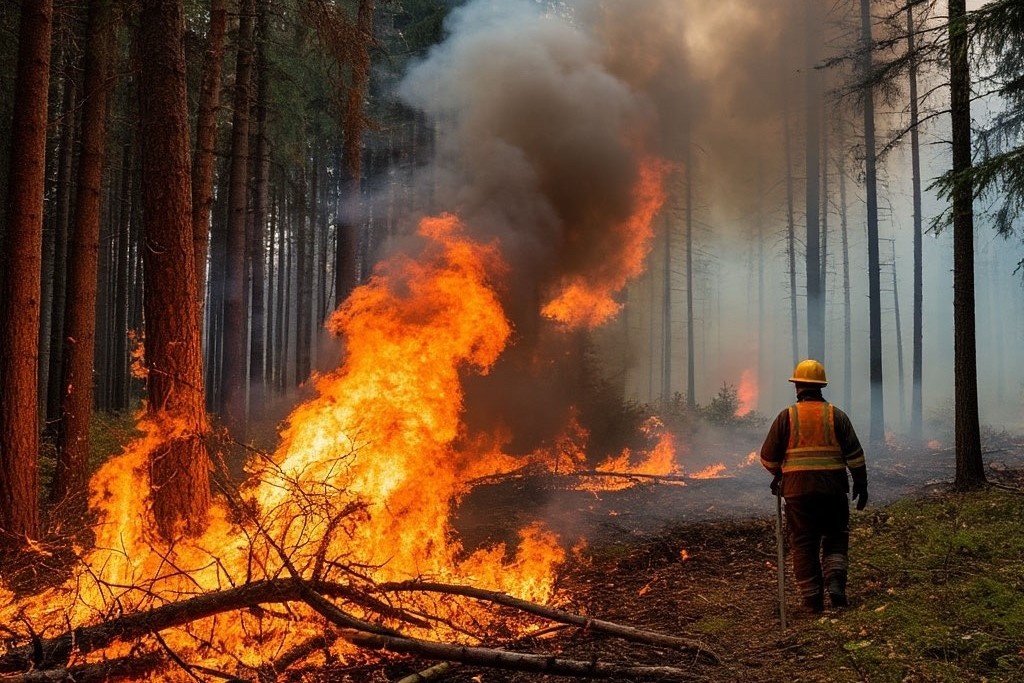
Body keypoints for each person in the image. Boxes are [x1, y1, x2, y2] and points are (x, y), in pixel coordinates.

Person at [760, 359, 868, 614]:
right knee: (835, 537)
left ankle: (812, 600)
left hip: (798, 493)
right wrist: (861, 484)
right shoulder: (836, 416)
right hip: (833, 491)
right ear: (821, 387)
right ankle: (836, 585)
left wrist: (779, 473)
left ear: (797, 386)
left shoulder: (786, 417)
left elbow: (767, 458)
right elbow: (855, 456)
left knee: (803, 543)